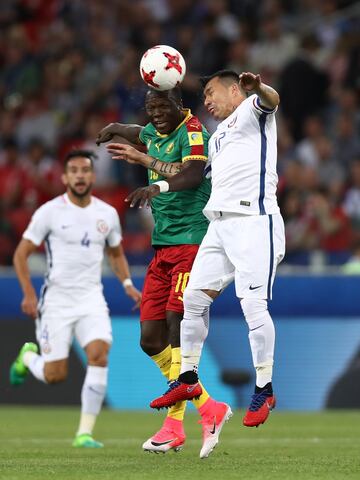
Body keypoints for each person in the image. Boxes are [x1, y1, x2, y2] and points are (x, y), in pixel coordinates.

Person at [96, 87, 232, 458]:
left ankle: (173, 427)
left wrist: (152, 178)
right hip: (162, 247)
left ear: (180, 106)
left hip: (193, 243)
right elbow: (134, 130)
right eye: (150, 107)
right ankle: (209, 408)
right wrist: (113, 126)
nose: (155, 113)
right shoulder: (153, 131)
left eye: (162, 106)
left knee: (176, 322)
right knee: (150, 338)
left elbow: (190, 175)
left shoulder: (192, 131)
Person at [147, 71, 285, 432]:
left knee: (252, 305)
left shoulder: (253, 111)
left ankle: (264, 387)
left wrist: (260, 88)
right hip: (218, 226)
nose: (206, 101)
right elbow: (189, 173)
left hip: (254, 221)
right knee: (192, 299)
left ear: (235, 89)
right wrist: (150, 169)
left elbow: (272, 100)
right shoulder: (218, 135)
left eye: (211, 93)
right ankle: (188, 377)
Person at [9, 149, 142, 448]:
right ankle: (27, 357)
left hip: (91, 298)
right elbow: (21, 254)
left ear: (92, 176)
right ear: (65, 177)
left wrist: (127, 284)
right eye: (74, 171)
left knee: (99, 354)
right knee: (54, 374)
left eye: (85, 170)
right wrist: (29, 294)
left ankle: (84, 434)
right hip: (56, 300)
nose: (80, 176)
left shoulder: (106, 214)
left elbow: (116, 252)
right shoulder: (49, 212)